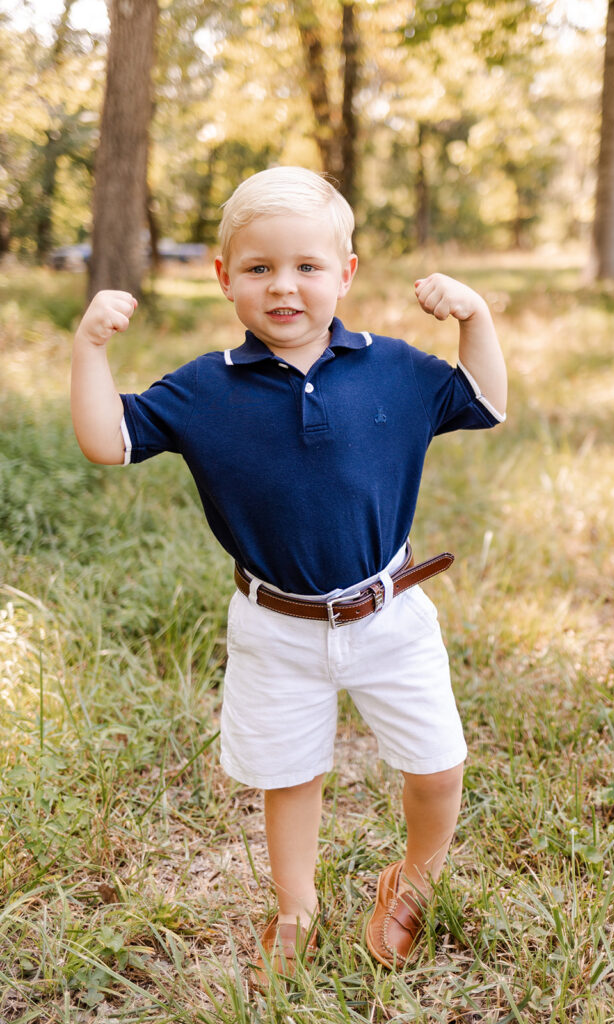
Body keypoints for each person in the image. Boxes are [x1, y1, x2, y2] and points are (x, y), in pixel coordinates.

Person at [71, 166, 507, 985]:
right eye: (260, 268)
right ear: (224, 277)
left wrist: (474, 316)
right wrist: (88, 347)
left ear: (344, 273)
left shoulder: (394, 369)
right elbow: (105, 440)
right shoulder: (204, 389)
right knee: (288, 773)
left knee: (438, 763)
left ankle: (413, 878)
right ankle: (296, 905)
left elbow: (484, 402)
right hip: (275, 624)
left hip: (389, 613)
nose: (284, 287)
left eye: (308, 267)